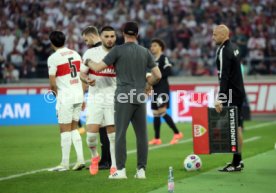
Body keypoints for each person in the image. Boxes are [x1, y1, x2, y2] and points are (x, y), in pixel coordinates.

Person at [85, 21, 162, 179]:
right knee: (142, 136)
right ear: (137, 35)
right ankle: (141, 171)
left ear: (123, 34)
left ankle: (120, 171)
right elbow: (158, 75)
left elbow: (98, 68)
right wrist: (148, 85)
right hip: (140, 95)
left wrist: (88, 62)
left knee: (120, 134)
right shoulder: (145, 51)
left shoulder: (118, 51)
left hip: (123, 96)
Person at [80, 26, 117, 175]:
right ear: (100, 37)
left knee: (112, 135)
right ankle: (95, 157)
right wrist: (87, 79)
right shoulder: (90, 53)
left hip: (113, 97)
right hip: (95, 97)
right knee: (91, 136)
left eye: (112, 36)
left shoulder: (119, 53)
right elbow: (81, 74)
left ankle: (114, 165)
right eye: (106, 36)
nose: (109, 39)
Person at [47, 31, 85, 171]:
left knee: (64, 129)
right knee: (74, 128)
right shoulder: (75, 54)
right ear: (64, 40)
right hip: (78, 94)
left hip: (66, 97)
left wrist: (57, 97)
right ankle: (80, 159)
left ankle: (64, 163)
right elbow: (82, 76)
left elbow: (52, 83)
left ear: (51, 43)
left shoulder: (53, 58)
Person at [212, 24, 245, 172]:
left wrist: (221, 98)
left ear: (224, 35)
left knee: (234, 127)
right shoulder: (234, 47)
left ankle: (236, 163)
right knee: (237, 126)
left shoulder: (224, 50)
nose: (213, 37)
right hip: (238, 91)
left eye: (215, 35)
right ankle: (238, 160)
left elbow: (224, 76)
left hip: (232, 93)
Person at [148, 38, 183, 145]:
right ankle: (157, 138)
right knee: (155, 113)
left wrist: (157, 76)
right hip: (154, 89)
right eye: (151, 46)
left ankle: (177, 133)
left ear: (160, 47)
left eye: (154, 45)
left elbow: (168, 71)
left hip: (162, 88)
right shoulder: (153, 61)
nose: (152, 48)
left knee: (162, 111)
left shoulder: (164, 58)